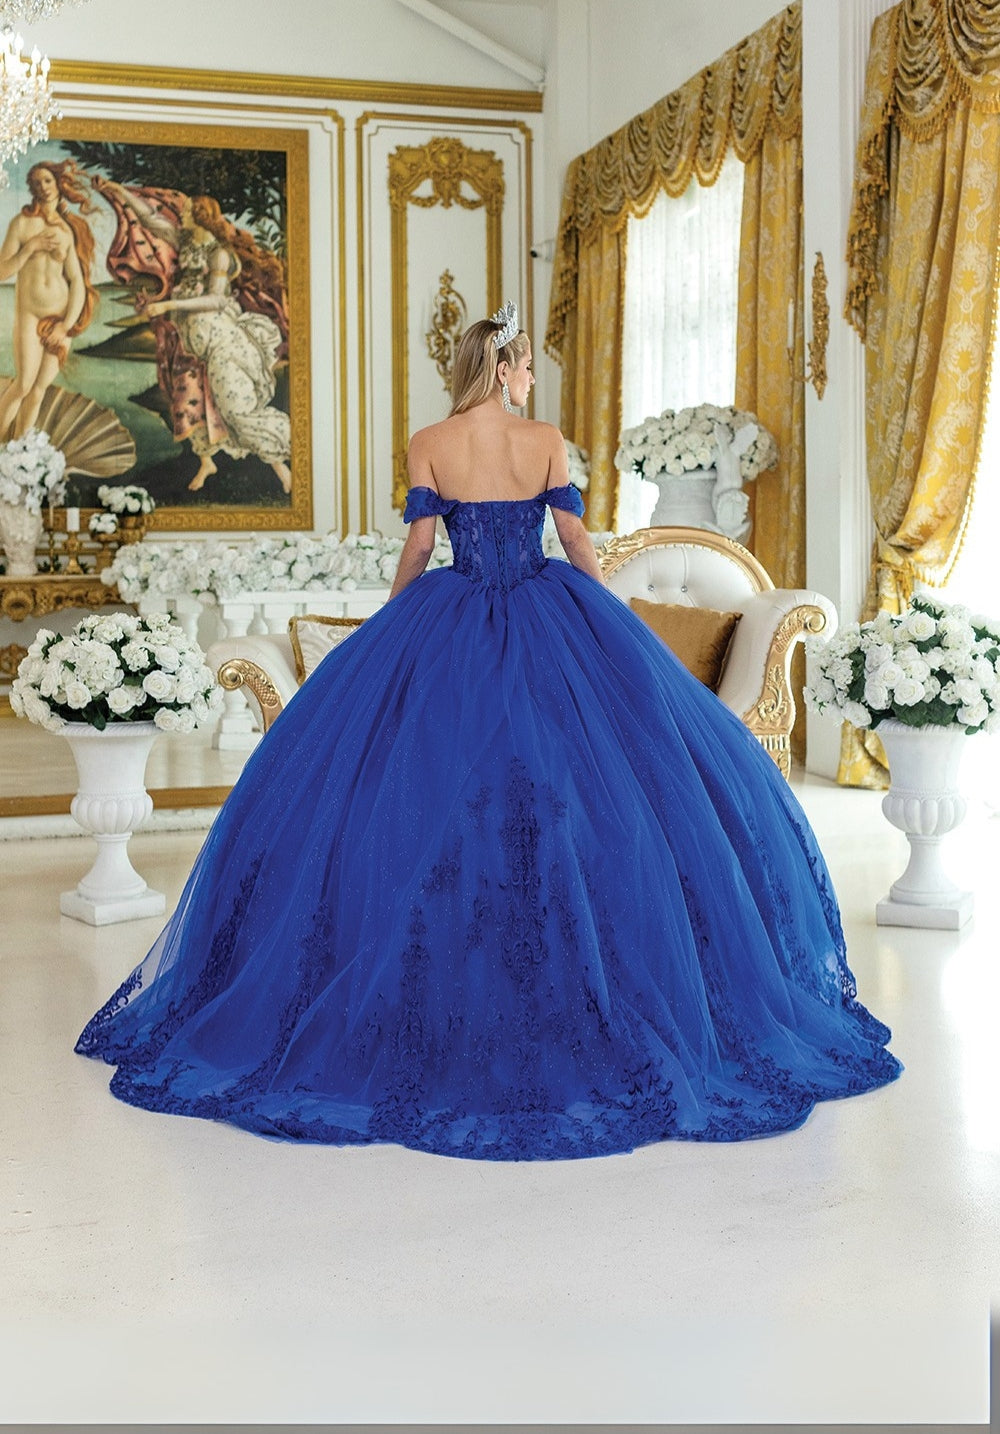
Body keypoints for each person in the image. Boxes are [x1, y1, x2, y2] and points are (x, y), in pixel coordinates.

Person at [76, 303, 900, 1159]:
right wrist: (609, 623)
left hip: (453, 610)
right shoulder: (544, 441)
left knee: (434, 791)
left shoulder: (429, 440)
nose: (535, 378)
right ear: (505, 369)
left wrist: (388, 628)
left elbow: (421, 545)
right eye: (529, 366)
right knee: (570, 790)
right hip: (549, 610)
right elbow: (576, 541)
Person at [95, 179, 291, 493]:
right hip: (190, 339)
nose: (181, 216)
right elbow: (150, 220)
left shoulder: (218, 254)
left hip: (221, 340)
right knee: (187, 398)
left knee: (234, 408)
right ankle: (206, 462)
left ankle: (281, 467)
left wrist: (170, 304)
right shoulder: (186, 242)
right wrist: (118, 192)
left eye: (188, 212)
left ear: (201, 216)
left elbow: (216, 300)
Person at [0, 161, 98, 440]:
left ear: (58, 184)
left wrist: (66, 325)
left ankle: (20, 449)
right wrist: (31, 247)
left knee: (40, 388)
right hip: (30, 316)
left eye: (48, 181)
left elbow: (77, 282)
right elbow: (2, 271)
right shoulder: (22, 224)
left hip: (60, 319)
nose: (43, 187)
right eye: (37, 182)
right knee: (23, 385)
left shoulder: (67, 230)